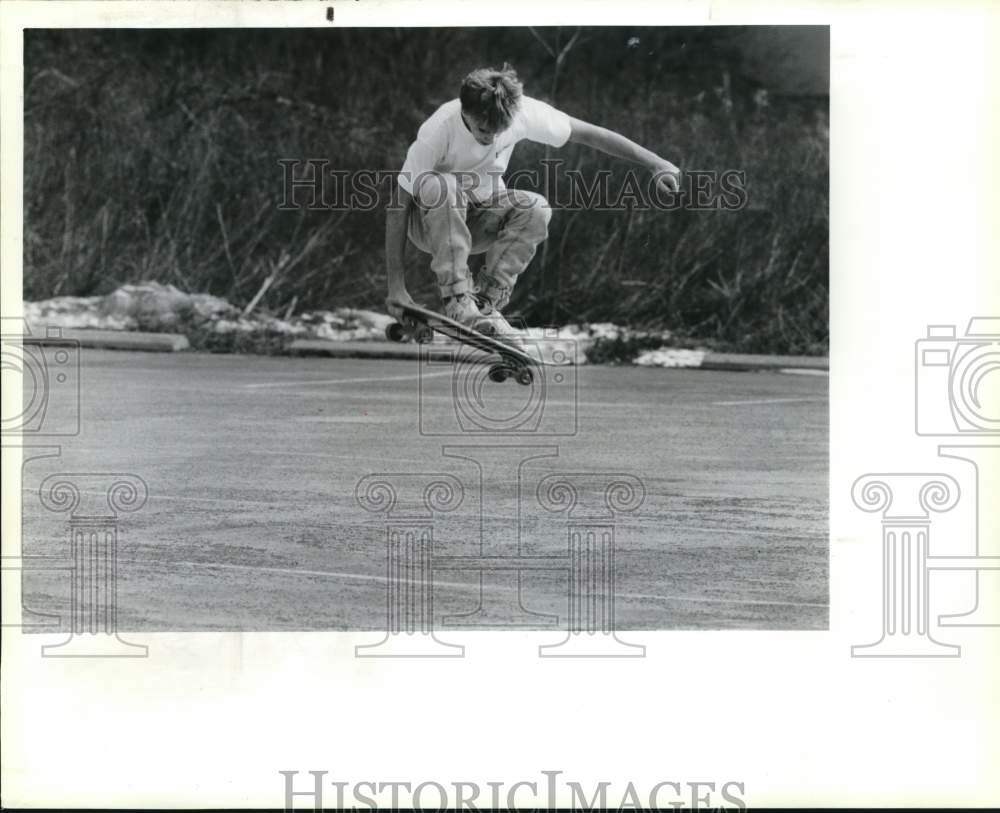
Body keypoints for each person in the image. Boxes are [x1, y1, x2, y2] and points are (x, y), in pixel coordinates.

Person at [385, 63, 680, 339]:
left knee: (535, 207)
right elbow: (398, 205)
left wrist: (656, 163)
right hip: (428, 222)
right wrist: (396, 289)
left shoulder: (523, 112)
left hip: (479, 218)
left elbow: (590, 134)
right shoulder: (438, 130)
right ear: (467, 111)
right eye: (483, 130)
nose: (491, 138)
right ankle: (457, 298)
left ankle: (486, 304)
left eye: (500, 131)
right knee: (443, 184)